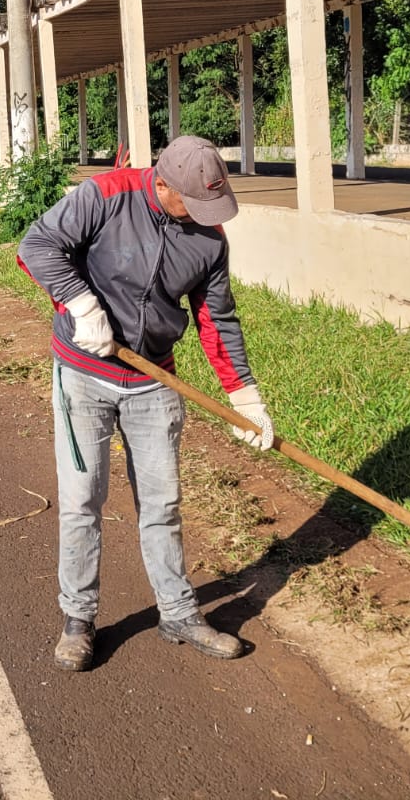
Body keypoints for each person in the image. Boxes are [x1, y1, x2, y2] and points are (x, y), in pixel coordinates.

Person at [16, 135, 274, 672]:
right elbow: (37, 245)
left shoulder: (209, 239)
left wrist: (244, 395)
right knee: (81, 500)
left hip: (154, 381)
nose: (203, 217)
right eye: (192, 204)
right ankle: (78, 619)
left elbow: (216, 319)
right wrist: (81, 304)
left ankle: (178, 613)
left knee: (162, 504)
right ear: (162, 184)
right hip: (83, 374)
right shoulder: (104, 195)